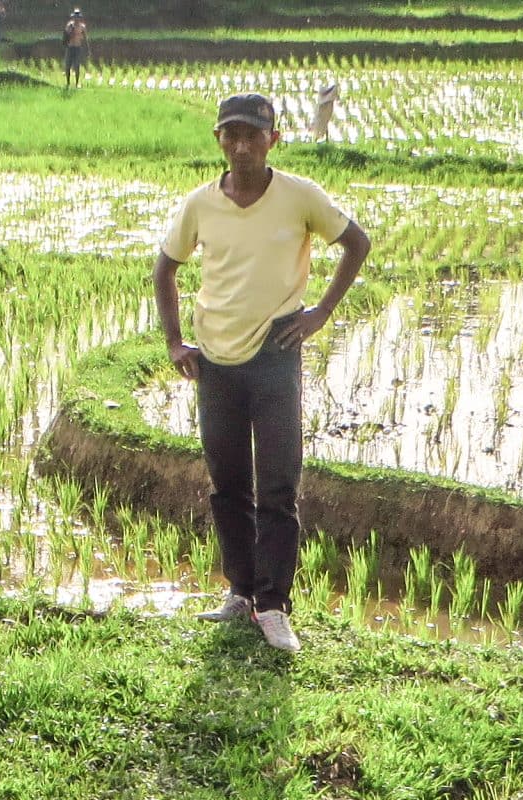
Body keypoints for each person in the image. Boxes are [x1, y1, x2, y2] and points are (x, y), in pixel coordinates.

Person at [153, 92, 370, 655]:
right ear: (218, 140)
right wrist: (176, 341)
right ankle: (240, 592)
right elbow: (166, 267)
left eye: (254, 135)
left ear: (274, 140)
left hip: (275, 353)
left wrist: (321, 311)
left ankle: (274, 607)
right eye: (232, 135)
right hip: (215, 362)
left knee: (277, 486)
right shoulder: (200, 204)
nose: (243, 146)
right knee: (227, 486)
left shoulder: (299, 196)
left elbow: (355, 242)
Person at [61, 10, 88, 86]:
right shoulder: (70, 25)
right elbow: (65, 35)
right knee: (67, 66)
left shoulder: (82, 27)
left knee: (77, 66)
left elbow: (85, 38)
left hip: (78, 48)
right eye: (75, 17)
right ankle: (68, 82)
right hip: (70, 47)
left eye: (78, 17)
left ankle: (77, 83)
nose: (76, 19)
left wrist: (87, 48)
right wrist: (70, 31)